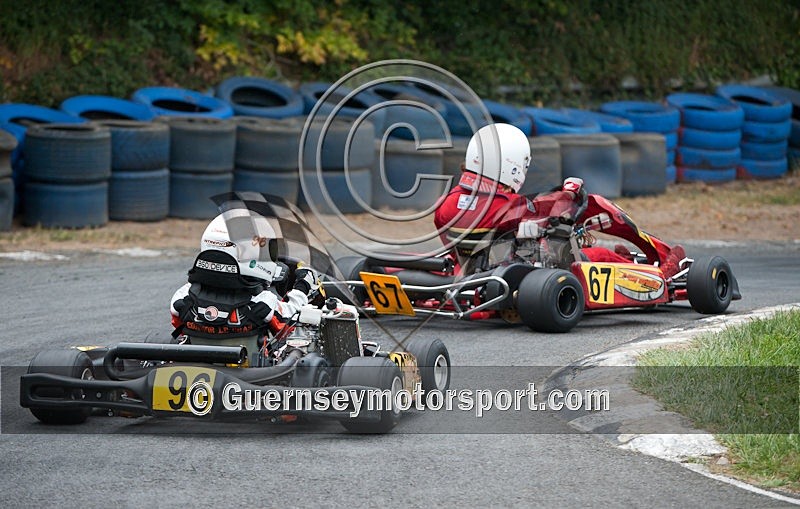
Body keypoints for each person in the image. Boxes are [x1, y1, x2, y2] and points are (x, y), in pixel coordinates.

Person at [434, 122, 687, 275]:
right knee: (599, 258)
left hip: (467, 271)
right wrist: (570, 193)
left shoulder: (445, 205)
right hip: (517, 274)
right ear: (509, 165)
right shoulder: (506, 208)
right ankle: (658, 270)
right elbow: (551, 208)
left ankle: (628, 259)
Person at [169, 213, 320, 342]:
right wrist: (303, 287)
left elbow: (179, 329)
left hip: (197, 362)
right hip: (248, 371)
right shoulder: (261, 303)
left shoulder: (183, 296)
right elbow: (290, 321)